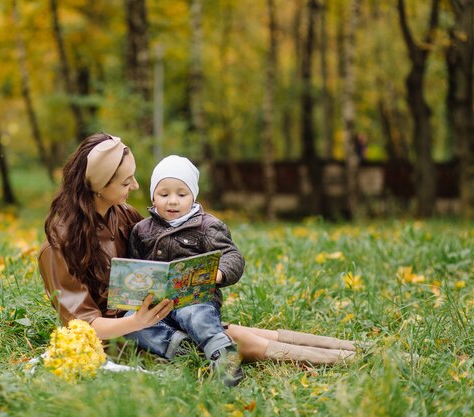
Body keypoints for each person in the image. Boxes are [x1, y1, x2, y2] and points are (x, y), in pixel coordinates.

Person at [38, 133, 358, 386]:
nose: (135, 186)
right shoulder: (59, 246)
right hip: (130, 336)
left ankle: (361, 351)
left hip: (163, 316)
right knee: (241, 342)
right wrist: (137, 322)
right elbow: (83, 325)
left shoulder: (121, 215)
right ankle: (354, 361)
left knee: (245, 332)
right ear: (97, 187)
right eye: (126, 182)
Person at [127, 155, 246, 386]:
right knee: (129, 323)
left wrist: (217, 274)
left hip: (195, 299)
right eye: (164, 194)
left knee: (195, 315)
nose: (173, 201)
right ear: (153, 195)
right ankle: (182, 348)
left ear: (193, 196)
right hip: (156, 304)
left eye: (181, 194)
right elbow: (134, 265)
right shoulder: (141, 230)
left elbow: (233, 256)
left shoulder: (206, 226)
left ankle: (225, 357)